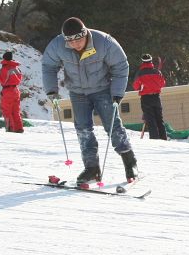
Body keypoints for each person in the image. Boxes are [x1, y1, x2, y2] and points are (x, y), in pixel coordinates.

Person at [42, 17, 139, 184]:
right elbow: (48, 66)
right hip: (77, 92)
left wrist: (117, 92)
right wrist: (51, 90)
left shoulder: (104, 42)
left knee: (113, 126)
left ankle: (130, 163)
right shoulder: (58, 45)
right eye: (71, 42)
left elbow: (121, 66)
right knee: (83, 129)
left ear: (85, 33)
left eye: (79, 40)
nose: (76, 45)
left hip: (103, 89)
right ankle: (92, 169)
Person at [132, 54, 167, 140]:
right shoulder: (157, 72)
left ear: (142, 61)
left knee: (151, 120)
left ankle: (155, 140)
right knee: (159, 119)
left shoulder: (140, 73)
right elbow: (162, 83)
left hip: (146, 98)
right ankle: (164, 139)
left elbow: (136, 86)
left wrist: (142, 87)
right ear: (151, 61)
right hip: (156, 97)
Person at [0, 51, 24, 133]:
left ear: (4, 58)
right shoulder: (16, 68)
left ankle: (10, 128)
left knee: (7, 110)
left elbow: (2, 81)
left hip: (8, 91)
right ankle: (19, 128)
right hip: (16, 90)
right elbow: (20, 78)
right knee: (15, 111)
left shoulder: (5, 68)